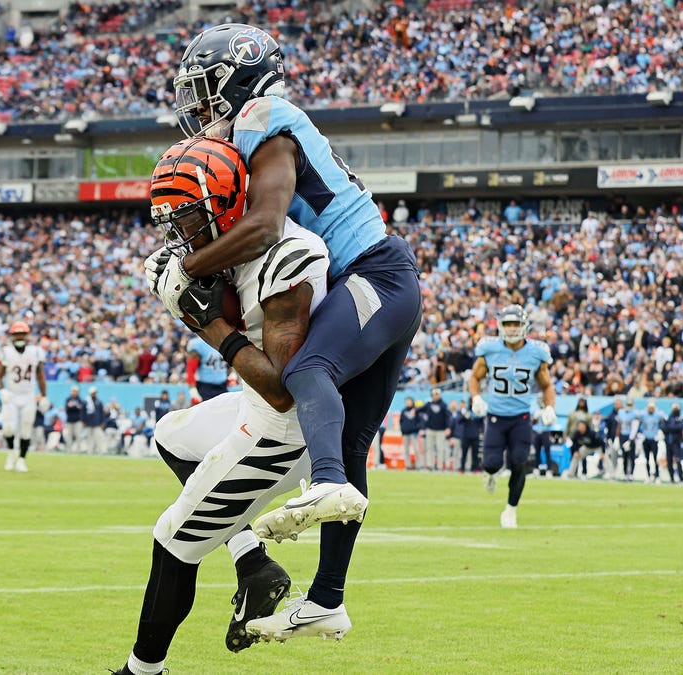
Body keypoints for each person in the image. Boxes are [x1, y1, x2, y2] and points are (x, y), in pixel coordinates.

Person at [147, 23, 423, 548]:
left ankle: (323, 484)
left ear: (239, 80)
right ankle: (325, 601)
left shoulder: (260, 117)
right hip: (374, 273)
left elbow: (266, 225)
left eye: (206, 94)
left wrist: (189, 269)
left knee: (305, 370)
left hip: (371, 269)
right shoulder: (261, 126)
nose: (200, 112)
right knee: (351, 442)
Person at [112, 135, 330, 675]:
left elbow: (283, 387)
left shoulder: (287, 259)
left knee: (173, 541)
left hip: (287, 429)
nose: (179, 233)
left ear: (228, 203)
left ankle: (143, 671)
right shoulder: (232, 241)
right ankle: (253, 563)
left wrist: (213, 328)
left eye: (187, 217)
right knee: (172, 434)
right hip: (259, 406)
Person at [468, 305, 556, 528]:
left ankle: (510, 510)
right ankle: (490, 474)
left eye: (516, 324)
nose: (512, 328)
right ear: (500, 325)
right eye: (507, 324)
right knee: (491, 464)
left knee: (519, 462)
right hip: (496, 416)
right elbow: (475, 377)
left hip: (521, 418)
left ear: (524, 325)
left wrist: (549, 407)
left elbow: (547, 385)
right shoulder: (489, 349)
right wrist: (476, 397)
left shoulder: (537, 352)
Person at [0, 320, 47, 472]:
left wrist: (44, 395)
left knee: (26, 429)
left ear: (27, 335)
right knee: (9, 428)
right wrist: (2, 389)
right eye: (17, 334)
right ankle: (11, 453)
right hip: (12, 394)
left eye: (22, 334)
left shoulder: (35, 351)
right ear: (12, 336)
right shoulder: (6, 351)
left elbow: (40, 376)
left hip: (29, 395)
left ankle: (22, 459)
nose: (19, 337)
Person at [186, 336, 229, 404]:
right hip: (205, 388)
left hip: (223, 386)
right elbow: (190, 370)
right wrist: (193, 390)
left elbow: (228, 362)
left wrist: (232, 374)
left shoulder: (225, 340)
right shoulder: (198, 345)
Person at [418, 388, 450, 471]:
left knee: (440, 449)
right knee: (429, 448)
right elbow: (420, 409)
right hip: (430, 429)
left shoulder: (444, 405)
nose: (435, 396)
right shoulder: (429, 404)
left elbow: (447, 417)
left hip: (440, 430)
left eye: (437, 394)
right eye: (434, 394)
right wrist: (414, 410)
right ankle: (430, 465)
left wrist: (448, 428)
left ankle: (439, 466)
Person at [636, 399, 665, 483]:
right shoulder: (644, 414)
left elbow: (663, 419)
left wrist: (659, 432)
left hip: (654, 439)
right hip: (646, 439)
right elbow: (637, 418)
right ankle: (648, 476)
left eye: (652, 408)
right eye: (649, 408)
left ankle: (657, 476)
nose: (651, 409)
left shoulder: (658, 415)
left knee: (656, 458)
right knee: (647, 459)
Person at [662, 403, 683, 483]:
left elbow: (679, 428)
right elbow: (664, 428)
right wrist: (672, 428)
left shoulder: (681, 417)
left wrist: (670, 427)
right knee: (669, 461)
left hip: (676, 442)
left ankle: (681, 477)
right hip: (668, 441)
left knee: (678, 459)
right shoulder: (668, 417)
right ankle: (671, 478)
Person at [398, 397, 418, 469]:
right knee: (406, 450)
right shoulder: (403, 411)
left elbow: (419, 421)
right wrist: (402, 430)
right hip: (405, 433)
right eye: (407, 401)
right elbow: (401, 421)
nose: (408, 402)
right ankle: (408, 465)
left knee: (416, 449)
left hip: (413, 433)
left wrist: (416, 429)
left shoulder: (416, 410)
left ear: (412, 402)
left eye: (409, 401)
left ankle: (418, 465)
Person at [63, 386, 84, 452]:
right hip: (69, 420)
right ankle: (69, 450)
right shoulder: (68, 399)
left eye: (76, 391)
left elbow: (80, 408)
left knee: (78, 435)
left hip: (77, 420)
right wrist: (75, 407)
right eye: (73, 391)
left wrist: (72, 407)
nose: (74, 393)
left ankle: (78, 450)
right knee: (69, 436)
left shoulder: (80, 399)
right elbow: (67, 408)